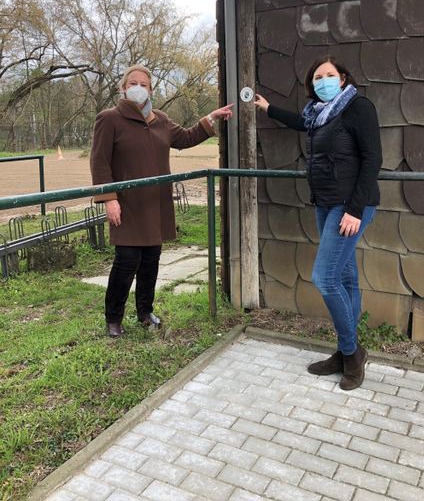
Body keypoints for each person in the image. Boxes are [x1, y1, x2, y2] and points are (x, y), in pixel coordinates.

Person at [255, 56, 382, 390]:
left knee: (324, 278)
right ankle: (344, 353)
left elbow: (373, 160)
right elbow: (300, 122)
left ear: (342, 78)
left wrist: (354, 210)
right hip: (326, 204)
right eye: (317, 77)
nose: (323, 80)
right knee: (345, 277)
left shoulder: (358, 107)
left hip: (351, 206)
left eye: (329, 75)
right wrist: (268, 108)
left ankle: (353, 354)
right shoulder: (318, 115)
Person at [90, 64, 233, 338]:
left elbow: (187, 137)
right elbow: (99, 161)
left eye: (144, 84)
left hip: (155, 205)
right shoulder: (109, 118)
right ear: (122, 88)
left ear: (151, 90)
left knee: (151, 260)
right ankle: (113, 318)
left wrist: (210, 119)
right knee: (126, 261)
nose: (138, 88)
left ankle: (145, 312)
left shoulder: (161, 120)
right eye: (132, 83)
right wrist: (109, 198)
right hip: (127, 204)